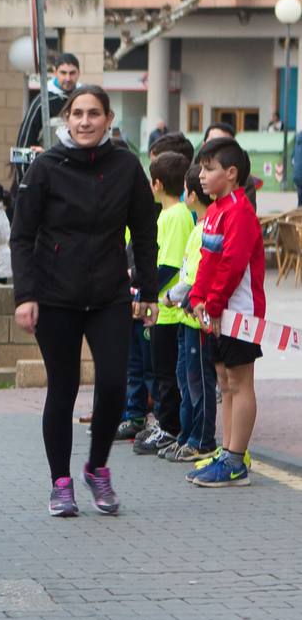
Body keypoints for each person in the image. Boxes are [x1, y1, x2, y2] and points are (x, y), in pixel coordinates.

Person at [10, 85, 159, 517]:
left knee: (113, 385)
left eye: (94, 113)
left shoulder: (127, 167)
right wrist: (26, 295)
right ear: (66, 120)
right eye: (77, 113)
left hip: (109, 293)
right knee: (64, 387)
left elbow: (145, 233)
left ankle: (96, 467)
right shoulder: (46, 167)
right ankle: (60, 482)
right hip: (55, 295)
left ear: (109, 120)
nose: (85, 121)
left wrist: (148, 291)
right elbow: (21, 236)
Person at [184, 136, 266, 488]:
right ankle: (229, 451)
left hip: (240, 312)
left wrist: (213, 303)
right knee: (224, 381)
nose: (201, 175)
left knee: (240, 381)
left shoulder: (240, 211)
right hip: (215, 312)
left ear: (231, 173)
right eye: (202, 168)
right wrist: (198, 299)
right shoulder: (216, 211)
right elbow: (208, 260)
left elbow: (233, 265)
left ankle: (236, 460)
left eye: (209, 168)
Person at [134, 152, 193, 457]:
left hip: (167, 311)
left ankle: (169, 428)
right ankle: (168, 425)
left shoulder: (174, 216)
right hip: (164, 310)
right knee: (161, 373)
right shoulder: (173, 214)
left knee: (165, 376)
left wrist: (143, 291)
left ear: (156, 184)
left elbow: (168, 265)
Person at [161, 159, 220, 464]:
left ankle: (203, 439)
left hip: (196, 321)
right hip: (186, 320)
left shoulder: (203, 230)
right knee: (185, 379)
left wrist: (170, 297)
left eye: (186, 191)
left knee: (198, 382)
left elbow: (193, 279)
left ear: (193, 196)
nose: (184, 196)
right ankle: (188, 435)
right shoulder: (198, 227)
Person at [18, 53, 79, 156]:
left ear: (78, 73)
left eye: (72, 73)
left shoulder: (83, 98)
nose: (68, 78)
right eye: (63, 73)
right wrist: (25, 170)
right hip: (48, 166)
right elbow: (23, 146)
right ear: (55, 73)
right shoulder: (43, 102)